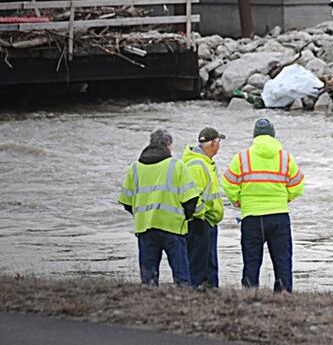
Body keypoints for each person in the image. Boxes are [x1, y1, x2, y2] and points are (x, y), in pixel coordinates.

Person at [221, 118, 304, 292]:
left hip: (251, 216)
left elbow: (228, 183)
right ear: (273, 135)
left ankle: (250, 293)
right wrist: (285, 199)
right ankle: (283, 295)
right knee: (282, 260)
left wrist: (238, 201)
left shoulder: (242, 157)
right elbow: (298, 185)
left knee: (251, 261)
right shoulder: (285, 158)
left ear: (254, 136)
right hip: (279, 215)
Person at [118, 129, 201, 286]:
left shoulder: (134, 168)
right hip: (173, 227)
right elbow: (191, 198)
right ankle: (185, 303)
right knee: (181, 277)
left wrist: (140, 214)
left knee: (148, 278)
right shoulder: (177, 166)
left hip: (145, 227)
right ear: (168, 144)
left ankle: (149, 304)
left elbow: (126, 202)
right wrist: (186, 216)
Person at [182, 127, 226, 288]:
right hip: (200, 223)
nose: (219, 146)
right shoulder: (197, 165)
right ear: (214, 143)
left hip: (208, 221)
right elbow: (193, 196)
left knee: (208, 262)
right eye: (219, 142)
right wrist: (200, 217)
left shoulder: (204, 162)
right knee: (198, 263)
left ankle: (209, 289)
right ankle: (196, 291)